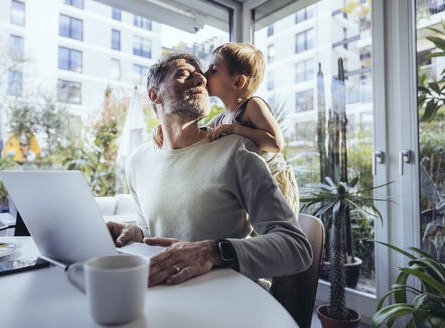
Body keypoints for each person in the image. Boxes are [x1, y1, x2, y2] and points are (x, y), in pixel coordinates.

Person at [107, 53, 312, 288]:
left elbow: (296, 248)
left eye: (202, 76)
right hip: (165, 297)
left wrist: (213, 251)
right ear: (154, 95)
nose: (201, 80)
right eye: (184, 74)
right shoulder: (137, 163)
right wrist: (134, 234)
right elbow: (151, 231)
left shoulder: (236, 151)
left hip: (229, 301)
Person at [153, 42, 300, 217]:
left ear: (238, 81)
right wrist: (164, 126)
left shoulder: (253, 105)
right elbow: (199, 132)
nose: (205, 76)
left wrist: (235, 129)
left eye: (213, 70)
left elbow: (275, 143)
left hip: (276, 184)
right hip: (251, 188)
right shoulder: (222, 118)